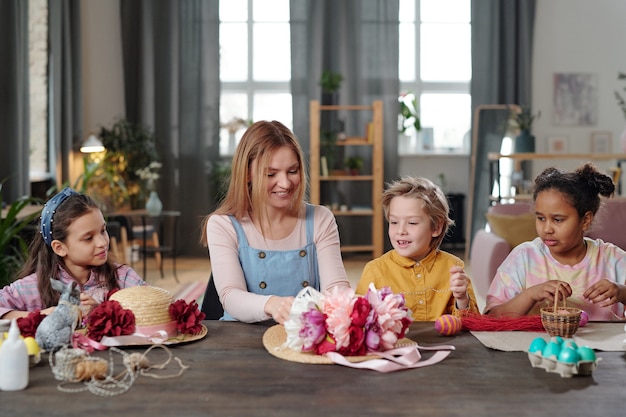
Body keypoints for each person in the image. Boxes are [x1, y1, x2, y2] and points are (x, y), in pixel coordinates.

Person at [202, 120, 350, 324]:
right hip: (241, 338)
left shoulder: (320, 219)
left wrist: (347, 304)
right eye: (270, 174)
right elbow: (230, 296)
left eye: (292, 171)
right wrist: (271, 305)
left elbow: (336, 289)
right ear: (247, 173)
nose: (285, 183)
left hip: (305, 336)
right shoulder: (222, 225)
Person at [485, 163, 626, 320]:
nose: (547, 229)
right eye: (541, 218)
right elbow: (492, 317)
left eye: (558, 220)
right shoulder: (523, 257)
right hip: (534, 345)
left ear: (585, 220)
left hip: (602, 345)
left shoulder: (613, 259)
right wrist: (530, 295)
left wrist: (622, 293)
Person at [0, 188, 145, 320]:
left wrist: (103, 312)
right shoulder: (34, 286)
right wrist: (47, 315)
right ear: (59, 248)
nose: (102, 242)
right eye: (88, 238)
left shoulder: (123, 277)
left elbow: (157, 307)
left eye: (103, 231)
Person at [356, 176, 479, 320]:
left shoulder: (453, 267)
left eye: (412, 223)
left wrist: (462, 299)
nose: (400, 230)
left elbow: (473, 325)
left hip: (441, 342)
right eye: (394, 222)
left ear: (436, 227)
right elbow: (360, 320)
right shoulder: (375, 270)